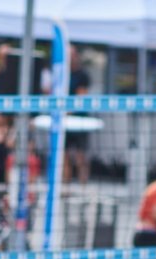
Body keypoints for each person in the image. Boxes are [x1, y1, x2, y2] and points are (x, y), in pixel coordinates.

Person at [64, 46, 92, 185]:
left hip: (80, 121)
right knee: (64, 156)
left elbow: (81, 99)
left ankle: (83, 188)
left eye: (72, 55)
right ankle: (64, 190)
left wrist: (63, 111)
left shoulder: (82, 75)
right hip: (65, 121)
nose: (70, 58)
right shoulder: (62, 73)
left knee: (80, 157)